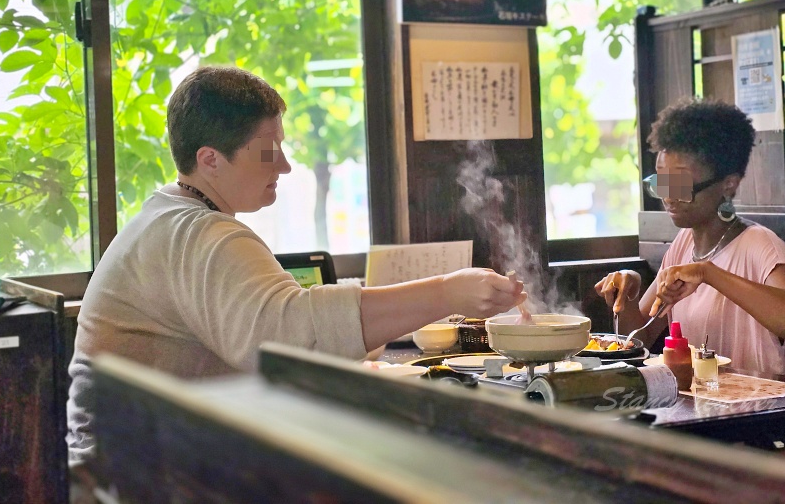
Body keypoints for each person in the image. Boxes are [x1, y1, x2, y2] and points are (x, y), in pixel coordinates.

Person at [66, 66, 524, 465]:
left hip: (142, 458)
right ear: (210, 159)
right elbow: (289, 334)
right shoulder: (197, 233)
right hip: (136, 475)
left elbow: (284, 326)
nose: (284, 166)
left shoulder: (171, 217)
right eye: (269, 151)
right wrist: (446, 292)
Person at [595, 99, 785, 376]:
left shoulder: (760, 245)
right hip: (701, 404)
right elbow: (637, 336)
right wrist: (628, 292)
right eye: (661, 181)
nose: (668, 195)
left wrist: (709, 273)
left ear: (728, 183)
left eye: (680, 183)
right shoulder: (683, 245)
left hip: (760, 408)